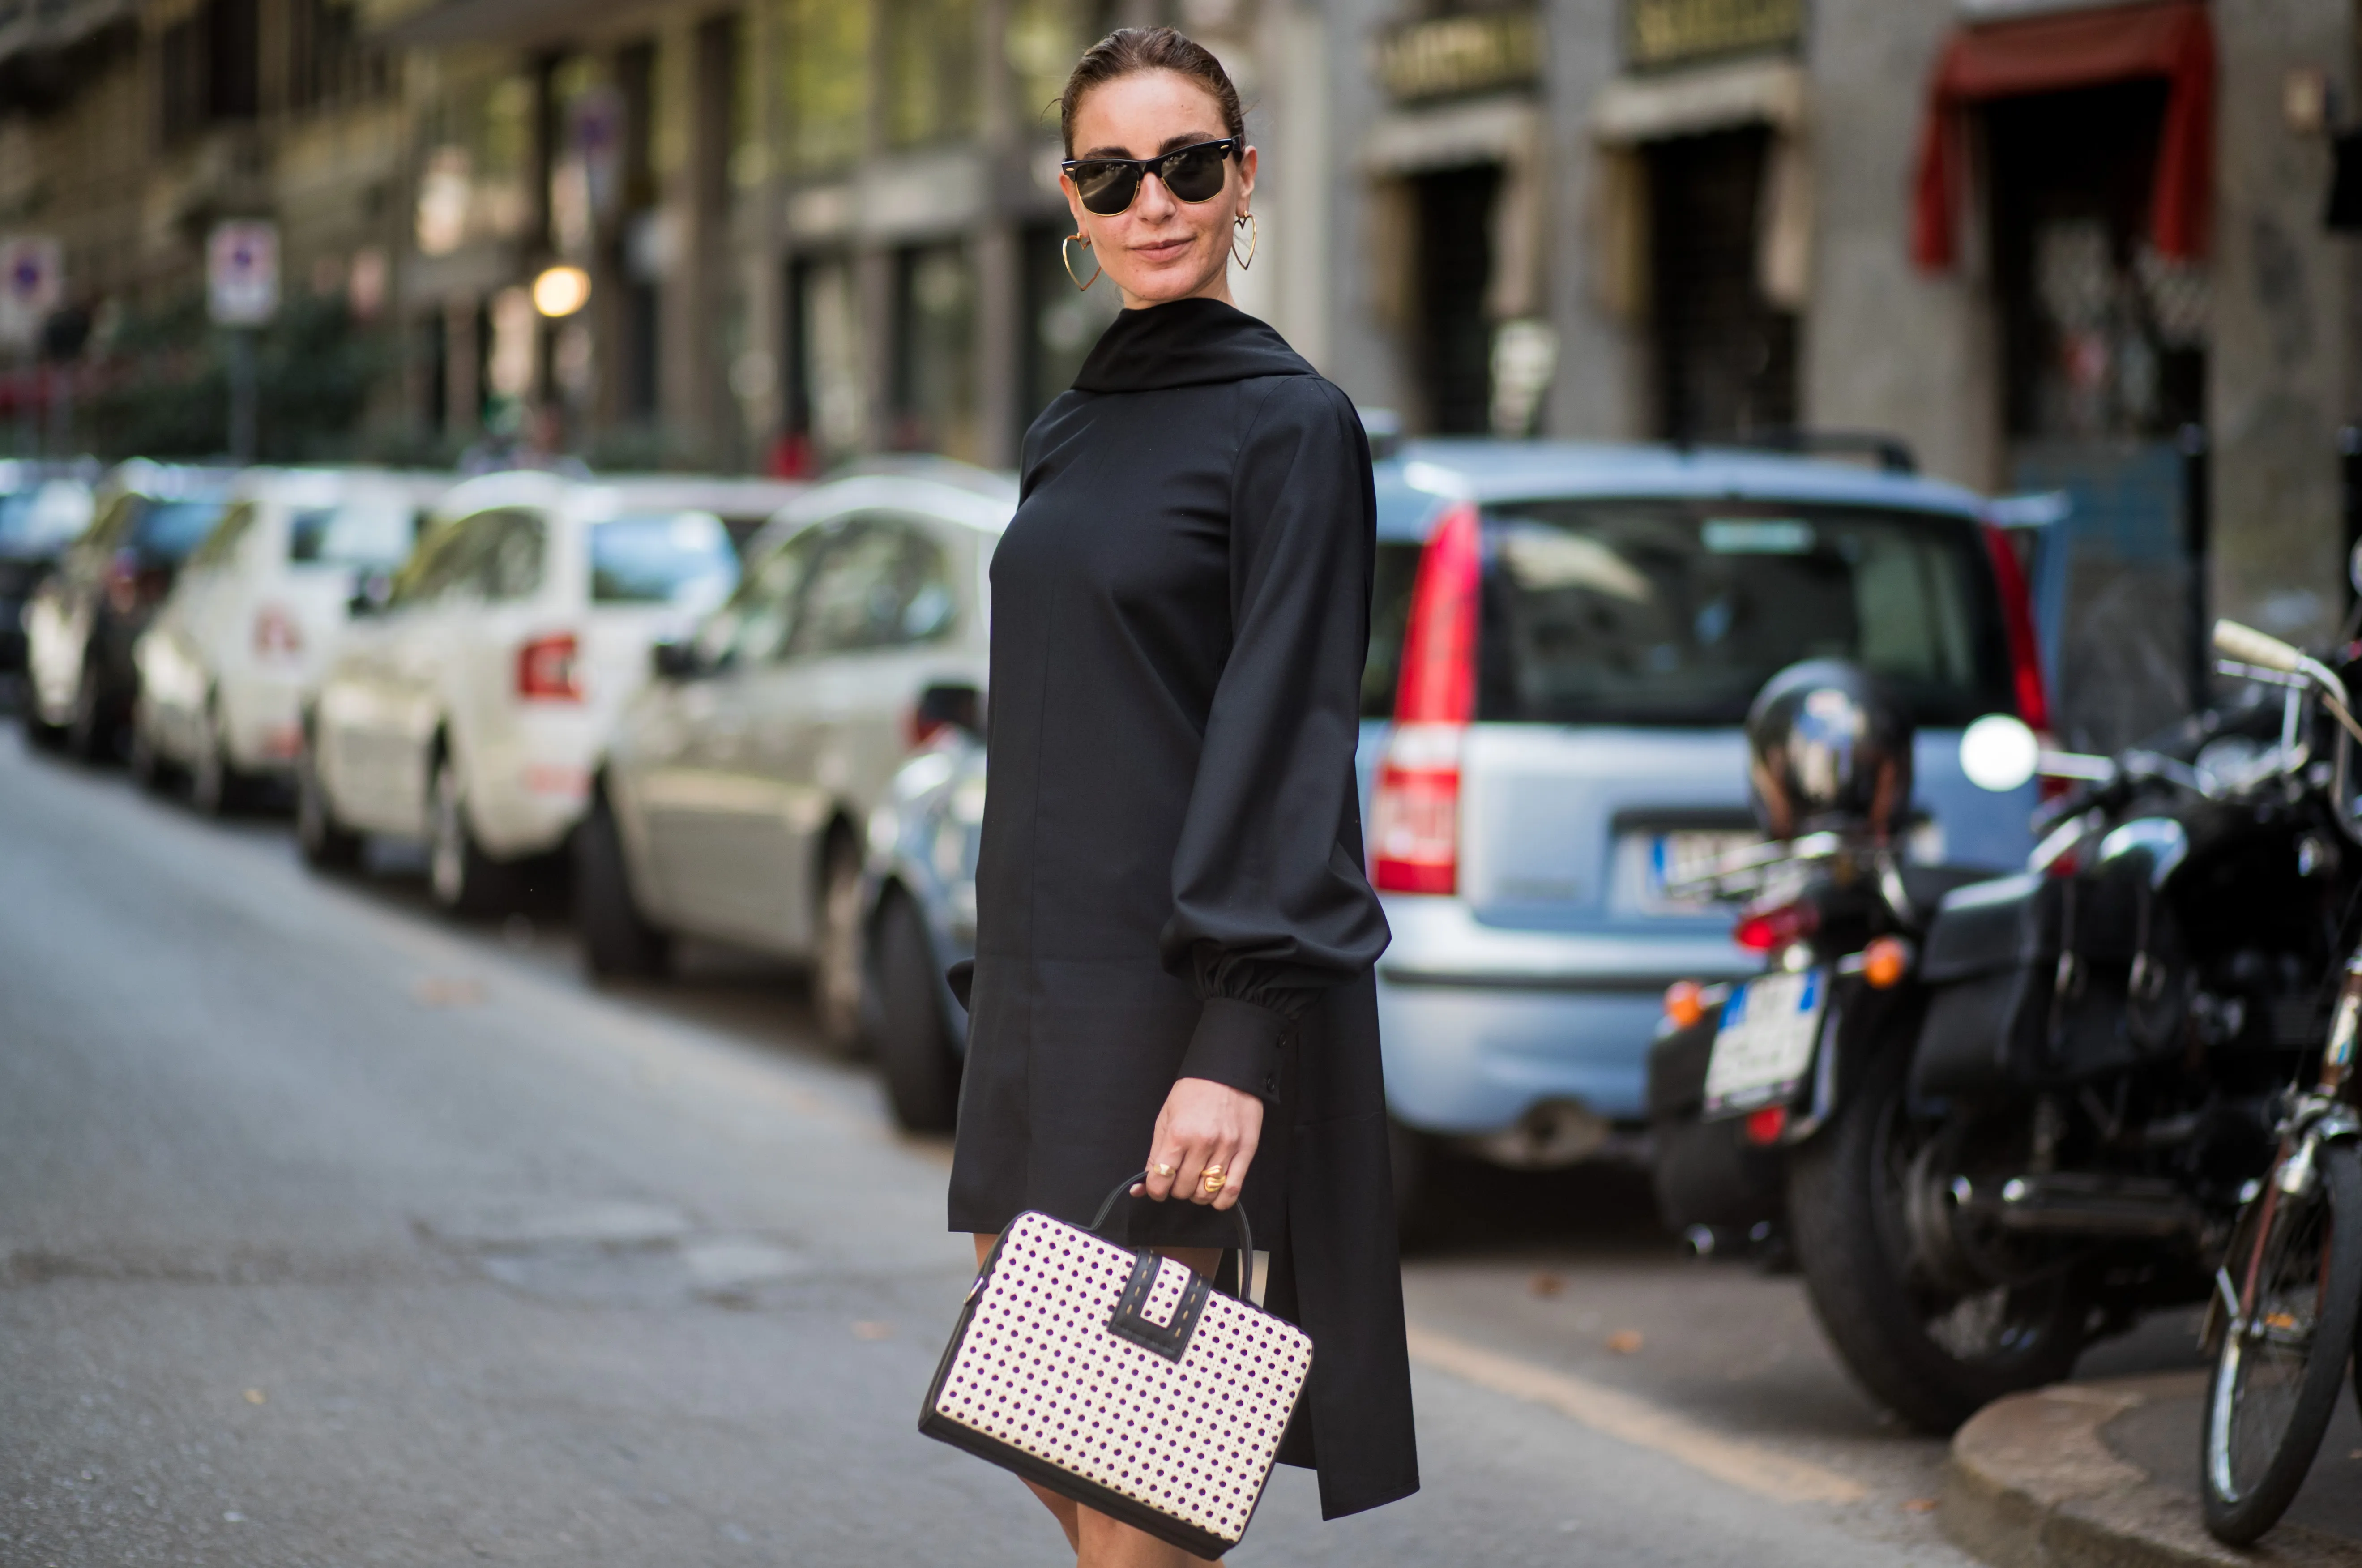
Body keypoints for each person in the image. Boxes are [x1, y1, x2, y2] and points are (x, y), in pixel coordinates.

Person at [946, 25, 1418, 1567]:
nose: (1150, 202)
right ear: (1071, 203)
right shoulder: (1068, 427)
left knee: (1140, 1498)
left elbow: (1287, 747)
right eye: (1111, 175)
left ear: (1243, 181)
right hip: (1038, 1002)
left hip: (1175, 1010)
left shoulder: (1291, 425)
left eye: (1187, 166)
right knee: (1038, 1430)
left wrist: (1232, 1043)